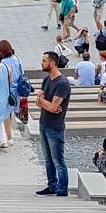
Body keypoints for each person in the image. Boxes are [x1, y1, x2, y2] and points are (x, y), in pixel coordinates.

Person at [35, 51, 71, 197]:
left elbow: (52, 107)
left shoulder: (62, 83)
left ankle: (62, 189)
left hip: (55, 126)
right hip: (44, 123)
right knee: (48, 159)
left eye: (44, 61)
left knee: (58, 160)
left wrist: (44, 102)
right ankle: (52, 185)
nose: (41, 63)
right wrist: (45, 103)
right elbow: (40, 103)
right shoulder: (47, 80)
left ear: (52, 63)